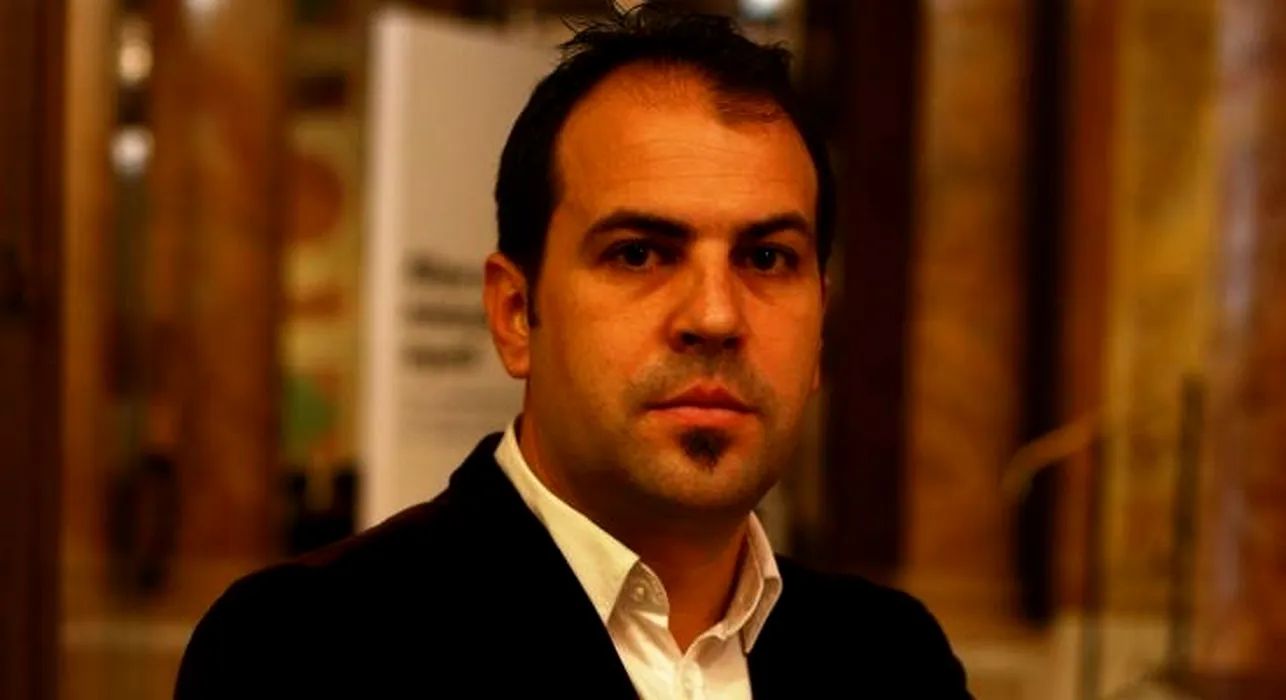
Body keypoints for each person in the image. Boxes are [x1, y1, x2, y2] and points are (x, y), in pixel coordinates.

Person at [175, 6, 971, 699]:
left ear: (821, 327)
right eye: (639, 253)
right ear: (516, 315)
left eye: (767, 258)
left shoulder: (893, 661)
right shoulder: (306, 651)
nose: (716, 315)